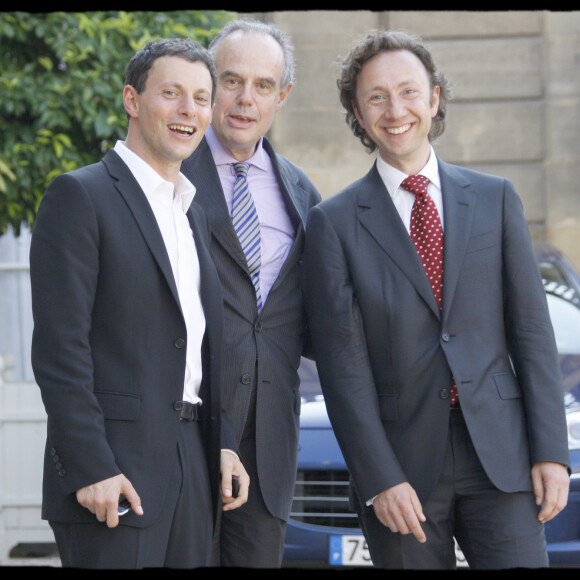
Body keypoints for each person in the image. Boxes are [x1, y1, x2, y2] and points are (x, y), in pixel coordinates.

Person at [302, 29, 571, 570]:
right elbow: (341, 367)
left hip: (502, 456)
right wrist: (379, 478)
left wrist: (550, 452)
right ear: (356, 111)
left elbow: (532, 333)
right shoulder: (332, 223)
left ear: (434, 99)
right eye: (376, 96)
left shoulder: (495, 199)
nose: (394, 109)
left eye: (408, 91)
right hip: (402, 467)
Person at [29, 37, 249, 569]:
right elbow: (61, 349)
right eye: (171, 93)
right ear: (131, 99)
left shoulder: (192, 212)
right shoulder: (80, 196)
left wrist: (221, 444)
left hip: (194, 464)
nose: (188, 111)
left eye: (200, 98)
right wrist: (90, 466)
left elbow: (196, 344)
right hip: (112, 473)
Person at [181, 19, 321, 568]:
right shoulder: (171, 172)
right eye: (231, 80)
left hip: (268, 444)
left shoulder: (301, 190)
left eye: (263, 85)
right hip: (186, 430)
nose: (245, 99)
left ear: (281, 96)